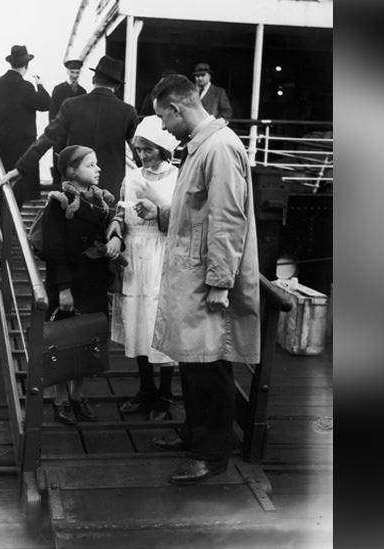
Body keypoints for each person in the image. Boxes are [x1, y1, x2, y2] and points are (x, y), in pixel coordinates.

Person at [135, 74, 260, 485]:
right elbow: (197, 212)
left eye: (163, 118)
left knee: (210, 366)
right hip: (193, 277)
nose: (164, 128)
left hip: (208, 283)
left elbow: (227, 219)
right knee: (193, 361)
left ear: (177, 107)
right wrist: (163, 215)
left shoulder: (220, 149)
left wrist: (222, 282)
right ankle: (194, 435)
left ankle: (212, 454)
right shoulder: (202, 148)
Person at [106, 116, 181, 421]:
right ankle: (145, 389)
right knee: (137, 322)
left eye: (147, 149)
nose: (142, 155)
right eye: (138, 149)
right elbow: (120, 212)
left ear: (163, 148)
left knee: (159, 323)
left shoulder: (179, 177)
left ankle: (165, 394)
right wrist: (115, 229)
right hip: (135, 256)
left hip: (162, 253)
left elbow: (184, 220)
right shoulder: (132, 177)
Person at [41, 145, 118, 425]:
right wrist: (63, 289)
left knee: (87, 339)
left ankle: (78, 394)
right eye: (90, 165)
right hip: (69, 282)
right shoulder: (59, 202)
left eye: (97, 164)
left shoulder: (101, 201)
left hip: (93, 281)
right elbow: (53, 249)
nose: (98, 169)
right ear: (72, 171)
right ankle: (61, 398)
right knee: (62, 340)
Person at [0, 55, 138, 201]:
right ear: (117, 86)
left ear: (93, 79)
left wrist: (20, 169)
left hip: (75, 190)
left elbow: (47, 138)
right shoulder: (128, 112)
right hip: (111, 193)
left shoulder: (71, 105)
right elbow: (138, 150)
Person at [0, 45, 50, 209]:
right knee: (18, 193)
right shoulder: (25, 86)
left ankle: (5, 226)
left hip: (1, 145)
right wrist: (40, 85)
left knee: (3, 187)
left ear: (11, 63)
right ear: (27, 65)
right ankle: (12, 230)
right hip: (23, 148)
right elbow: (45, 103)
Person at [47, 59, 87, 183]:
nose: (75, 75)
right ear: (67, 72)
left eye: (77, 72)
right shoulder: (58, 90)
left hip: (75, 135)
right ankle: (56, 188)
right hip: (60, 135)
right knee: (59, 163)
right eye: (72, 72)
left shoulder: (82, 91)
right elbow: (52, 113)